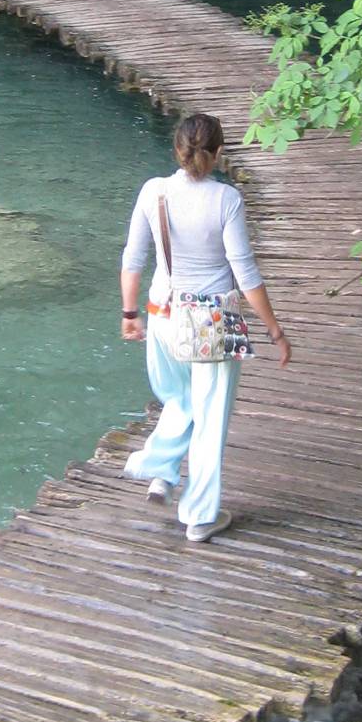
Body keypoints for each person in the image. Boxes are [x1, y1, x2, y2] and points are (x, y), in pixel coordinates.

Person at [119, 112, 291, 544]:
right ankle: (198, 516)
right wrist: (275, 330)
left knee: (179, 399)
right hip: (212, 323)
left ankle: (159, 469)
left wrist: (129, 314)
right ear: (217, 154)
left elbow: (132, 259)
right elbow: (246, 274)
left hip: (162, 316)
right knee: (210, 417)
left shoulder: (152, 192)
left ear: (177, 150)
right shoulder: (226, 200)